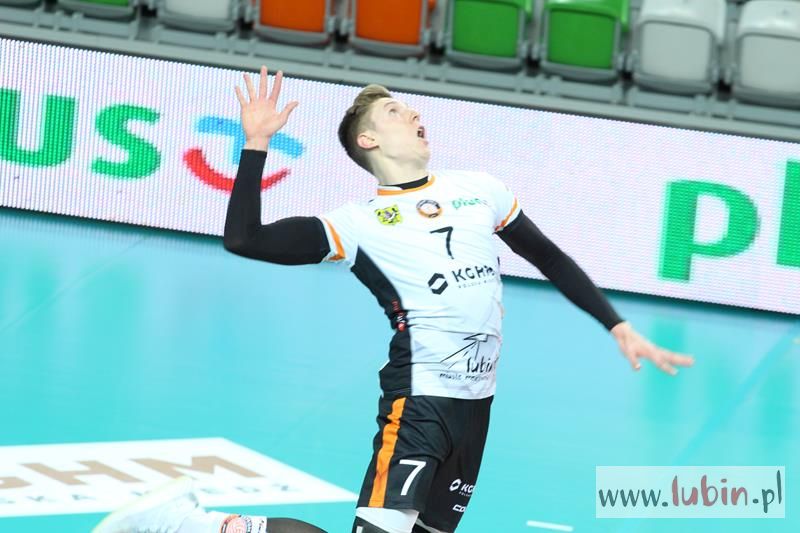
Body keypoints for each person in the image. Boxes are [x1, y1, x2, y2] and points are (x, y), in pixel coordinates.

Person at [93, 66, 694, 533]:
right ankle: (199, 525)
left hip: (476, 406)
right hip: (419, 401)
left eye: (409, 108)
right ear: (369, 139)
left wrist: (615, 324)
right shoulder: (357, 224)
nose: (413, 113)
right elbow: (244, 239)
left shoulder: (479, 190)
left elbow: (550, 257)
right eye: (395, 111)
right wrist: (255, 145)